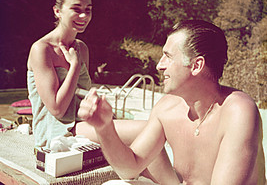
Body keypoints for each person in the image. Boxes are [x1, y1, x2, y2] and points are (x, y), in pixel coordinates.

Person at [78, 20, 266, 184]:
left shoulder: (238, 112)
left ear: (196, 65)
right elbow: (129, 168)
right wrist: (104, 128)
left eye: (168, 56)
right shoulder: (167, 108)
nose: (160, 65)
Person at [27, 0, 93, 149]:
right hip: (56, 133)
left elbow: (80, 96)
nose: (84, 16)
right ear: (57, 11)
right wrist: (75, 66)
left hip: (83, 124)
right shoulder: (41, 49)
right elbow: (57, 109)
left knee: (149, 133)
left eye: (88, 10)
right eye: (76, 9)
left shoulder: (82, 48)